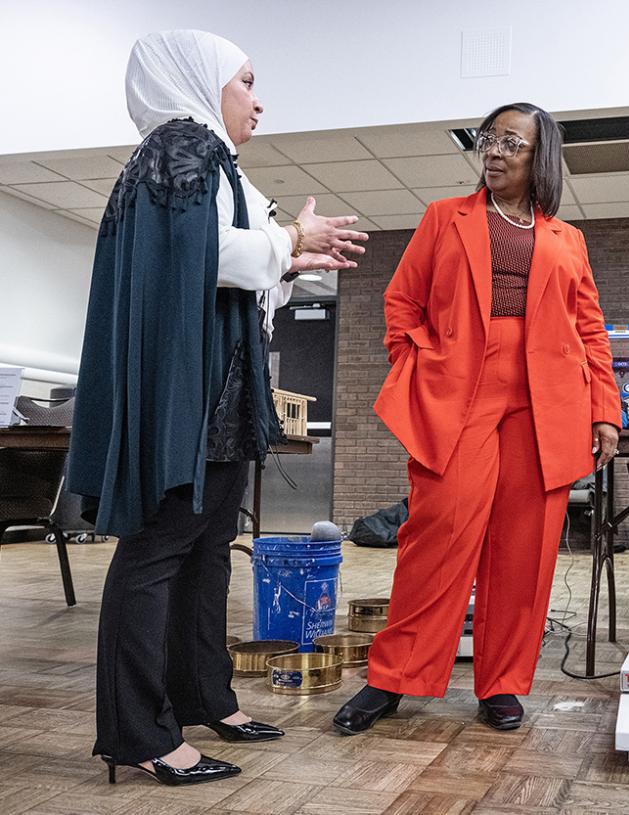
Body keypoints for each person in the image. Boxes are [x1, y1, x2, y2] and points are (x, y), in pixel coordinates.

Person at [67, 30, 367, 786]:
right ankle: (138, 732)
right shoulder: (180, 148)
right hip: (190, 394)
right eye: (248, 80)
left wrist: (286, 254)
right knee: (157, 551)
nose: (258, 99)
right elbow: (196, 257)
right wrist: (287, 237)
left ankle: (203, 694)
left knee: (205, 550)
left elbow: (226, 268)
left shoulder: (207, 159)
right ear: (202, 81)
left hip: (221, 390)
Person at [333, 102, 621, 735]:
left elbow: (590, 331)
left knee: (525, 550)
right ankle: (393, 678)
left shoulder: (566, 239)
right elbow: (401, 301)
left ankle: (502, 684)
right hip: (459, 389)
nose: (494, 150)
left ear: (539, 156)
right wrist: (414, 364)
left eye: (511, 142)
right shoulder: (444, 218)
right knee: (438, 533)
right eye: (489, 139)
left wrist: (605, 411)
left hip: (545, 400)